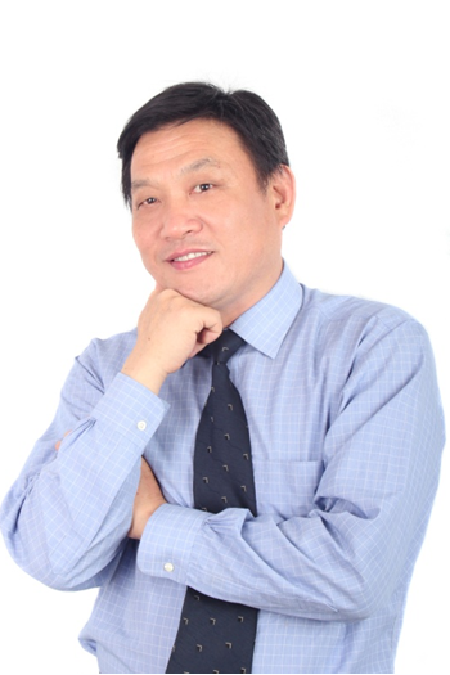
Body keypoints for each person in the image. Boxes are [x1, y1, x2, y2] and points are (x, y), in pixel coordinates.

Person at [0, 82, 445, 675]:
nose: (174, 223)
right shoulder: (110, 371)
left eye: (204, 187)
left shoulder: (372, 347)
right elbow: (53, 559)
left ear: (279, 195)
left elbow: (353, 571)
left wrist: (155, 523)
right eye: (147, 200)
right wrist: (143, 373)